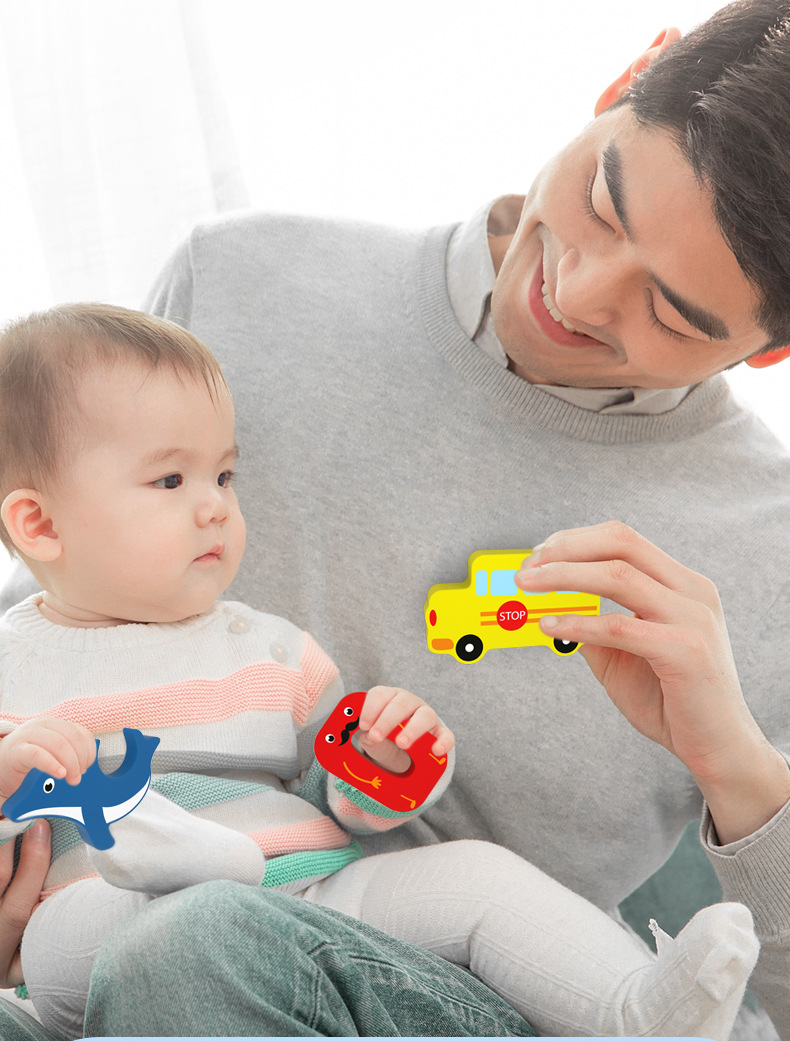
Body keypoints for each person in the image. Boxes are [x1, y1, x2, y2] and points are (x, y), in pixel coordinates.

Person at [2, 0, 789, 1037]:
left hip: (469, 984)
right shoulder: (239, 283)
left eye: (671, 313)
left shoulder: (768, 544)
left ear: (771, 350)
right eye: (603, 205)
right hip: (127, 947)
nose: (580, 290)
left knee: (199, 937)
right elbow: (55, 615)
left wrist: (737, 765)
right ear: (625, 77)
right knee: (175, 943)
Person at [0, 302, 761, 1041]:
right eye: (171, 481)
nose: (216, 508)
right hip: (102, 918)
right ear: (39, 524)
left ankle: (629, 1010)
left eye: (225, 476)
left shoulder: (271, 649)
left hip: (310, 897)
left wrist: (381, 760)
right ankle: (191, 871)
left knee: (478, 874)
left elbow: (329, 795)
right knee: (116, 927)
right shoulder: (12, 666)